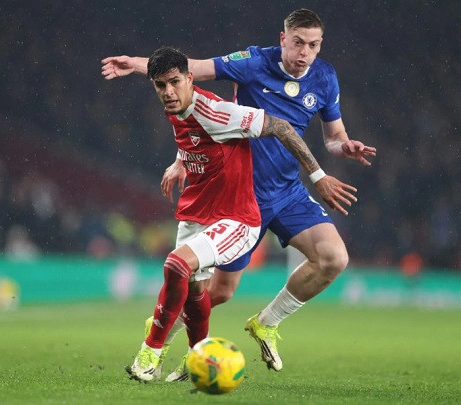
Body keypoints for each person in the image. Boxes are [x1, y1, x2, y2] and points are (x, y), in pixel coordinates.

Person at [103, 9, 376, 379]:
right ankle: (165, 335)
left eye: (313, 45)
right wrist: (136, 64)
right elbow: (191, 73)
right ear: (283, 39)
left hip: (288, 190)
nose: (304, 52)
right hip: (242, 196)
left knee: (333, 258)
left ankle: (266, 323)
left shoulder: (325, 77)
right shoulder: (253, 62)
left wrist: (346, 147)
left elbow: (333, 137)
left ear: (320, 44)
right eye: (298, 42)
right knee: (217, 293)